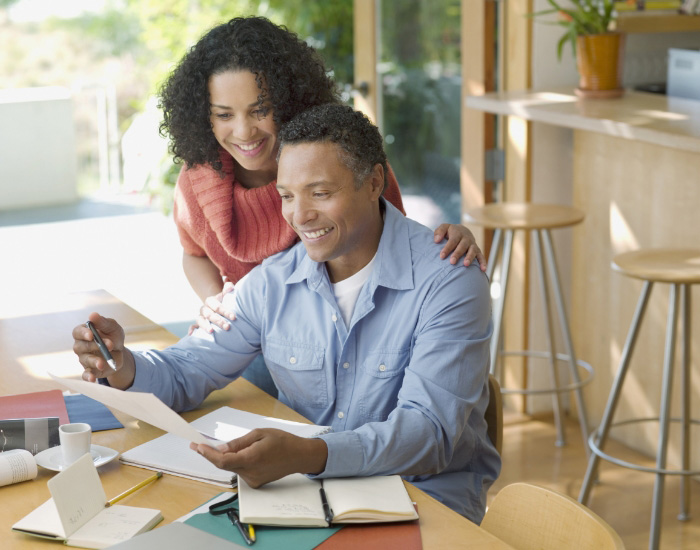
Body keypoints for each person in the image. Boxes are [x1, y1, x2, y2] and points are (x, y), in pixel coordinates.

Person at [74, 104, 499, 523]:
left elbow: (428, 435)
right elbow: (187, 369)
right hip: (309, 497)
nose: (299, 215)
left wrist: (309, 455)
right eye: (287, 196)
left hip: (424, 503)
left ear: (373, 183)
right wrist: (122, 363)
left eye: (320, 193)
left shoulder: (450, 282)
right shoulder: (275, 281)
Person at [158, 16, 486, 396]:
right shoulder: (198, 181)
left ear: (287, 100)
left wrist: (447, 242)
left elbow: (393, 245)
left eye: (259, 109)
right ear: (205, 116)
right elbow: (193, 254)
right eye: (224, 115)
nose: (244, 132)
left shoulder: (338, 161)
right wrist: (215, 301)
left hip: (333, 343)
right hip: (241, 332)